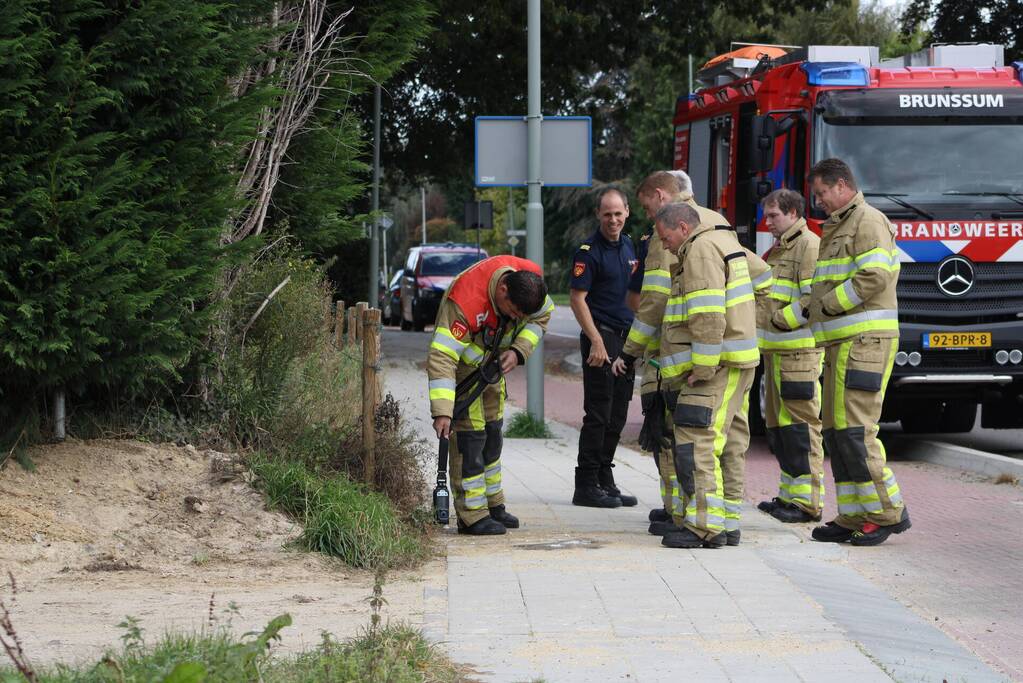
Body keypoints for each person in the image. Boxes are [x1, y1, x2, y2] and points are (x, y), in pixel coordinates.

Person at [631, 202, 759, 548]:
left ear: (683, 228)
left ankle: (704, 527)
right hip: (730, 362)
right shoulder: (720, 242)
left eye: (666, 236)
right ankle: (719, 524)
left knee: (695, 439)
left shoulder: (700, 250)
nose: (665, 244)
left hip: (714, 368)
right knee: (717, 442)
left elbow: (707, 315)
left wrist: (702, 368)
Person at [618, 171, 731, 529]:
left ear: (661, 197)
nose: (647, 217)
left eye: (647, 207)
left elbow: (653, 301)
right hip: (718, 352)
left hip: (678, 355)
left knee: (674, 434)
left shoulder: (669, 235)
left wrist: (629, 351)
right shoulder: (717, 221)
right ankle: (711, 516)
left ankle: (681, 512)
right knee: (718, 439)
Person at [806, 158, 910, 546]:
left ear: (842, 185)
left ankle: (886, 513)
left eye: (821, 193)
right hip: (842, 344)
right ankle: (853, 514)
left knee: (855, 431)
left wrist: (829, 304)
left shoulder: (867, 220)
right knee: (835, 433)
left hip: (864, 343)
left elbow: (875, 275)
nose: (819, 202)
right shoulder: (840, 226)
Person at [428, 256, 553, 535]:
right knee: (471, 440)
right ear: (503, 290)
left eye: (522, 316)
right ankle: (472, 515)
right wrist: (443, 410)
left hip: (492, 368)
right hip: (465, 374)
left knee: (493, 435)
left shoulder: (530, 283)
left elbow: (542, 316)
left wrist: (519, 349)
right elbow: (442, 357)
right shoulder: (464, 301)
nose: (517, 319)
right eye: (514, 312)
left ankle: (492, 504)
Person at [754, 189, 825, 523]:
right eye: (767, 216)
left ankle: (808, 501)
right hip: (777, 355)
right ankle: (790, 496)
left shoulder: (808, 246)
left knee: (801, 429)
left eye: (773, 216)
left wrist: (782, 320)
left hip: (798, 354)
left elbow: (814, 299)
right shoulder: (782, 248)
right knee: (782, 431)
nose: (767, 222)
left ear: (794, 212)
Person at [569, 187, 642, 508]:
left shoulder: (629, 246)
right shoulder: (588, 251)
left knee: (619, 412)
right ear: (599, 214)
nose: (613, 219)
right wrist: (596, 340)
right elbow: (577, 299)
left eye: (618, 213)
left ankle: (604, 476)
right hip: (601, 337)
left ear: (627, 212)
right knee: (599, 411)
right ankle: (585, 484)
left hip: (626, 338)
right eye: (607, 214)